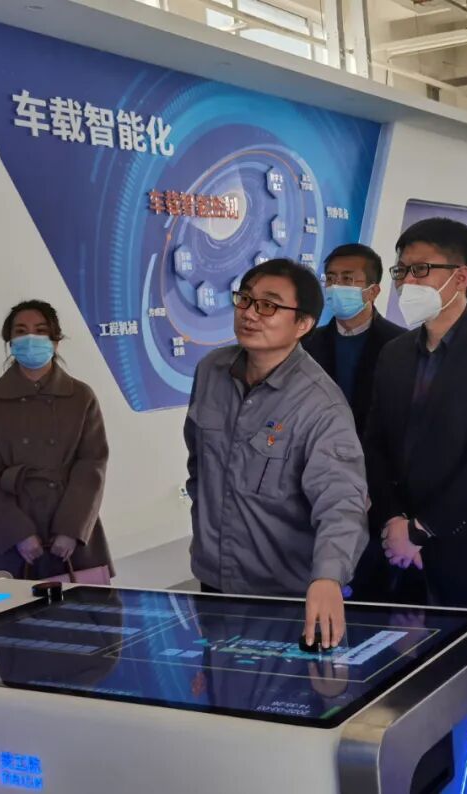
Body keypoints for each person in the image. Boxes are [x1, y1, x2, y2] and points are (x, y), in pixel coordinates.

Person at [184, 258, 368, 650]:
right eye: (245, 299)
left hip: (282, 593)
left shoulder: (320, 404)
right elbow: (198, 462)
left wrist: (328, 577)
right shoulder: (211, 372)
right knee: (217, 679)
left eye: (268, 305)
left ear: (303, 324)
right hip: (213, 580)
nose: (250, 313)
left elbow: (341, 501)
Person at [362, 217, 467, 608]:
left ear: (460, 277)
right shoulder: (394, 353)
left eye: (420, 269)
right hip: (395, 546)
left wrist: (420, 530)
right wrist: (393, 521)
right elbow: (375, 443)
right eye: (401, 271)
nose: (407, 282)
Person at [0, 300, 112, 581]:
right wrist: (17, 533)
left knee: (82, 606)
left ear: (55, 341)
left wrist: (71, 528)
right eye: (21, 331)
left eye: (40, 330)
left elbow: (92, 465)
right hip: (9, 529)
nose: (30, 338)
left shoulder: (81, 396)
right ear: (10, 341)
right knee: (14, 606)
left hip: (69, 521)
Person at [303, 243, 404, 437]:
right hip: (317, 443)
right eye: (330, 279)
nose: (335, 286)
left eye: (347, 279)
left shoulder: (401, 344)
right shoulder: (307, 343)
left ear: (373, 291)